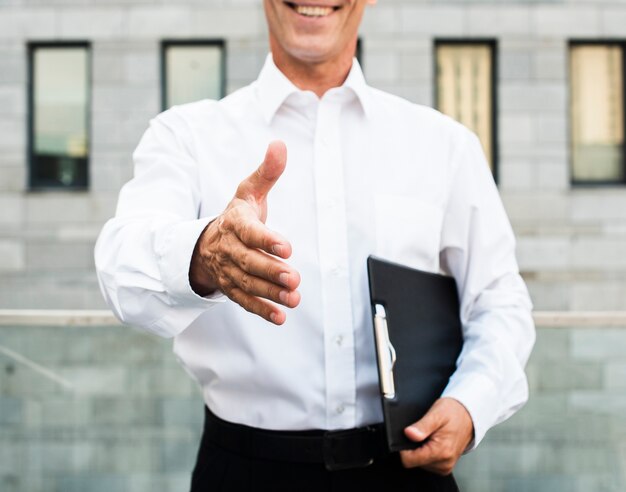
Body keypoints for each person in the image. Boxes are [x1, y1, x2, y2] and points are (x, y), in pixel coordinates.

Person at [95, 0, 535, 490]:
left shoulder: (444, 145)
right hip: (245, 471)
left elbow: (500, 302)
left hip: (407, 468)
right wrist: (204, 253)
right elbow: (120, 266)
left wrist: (471, 403)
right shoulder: (187, 136)